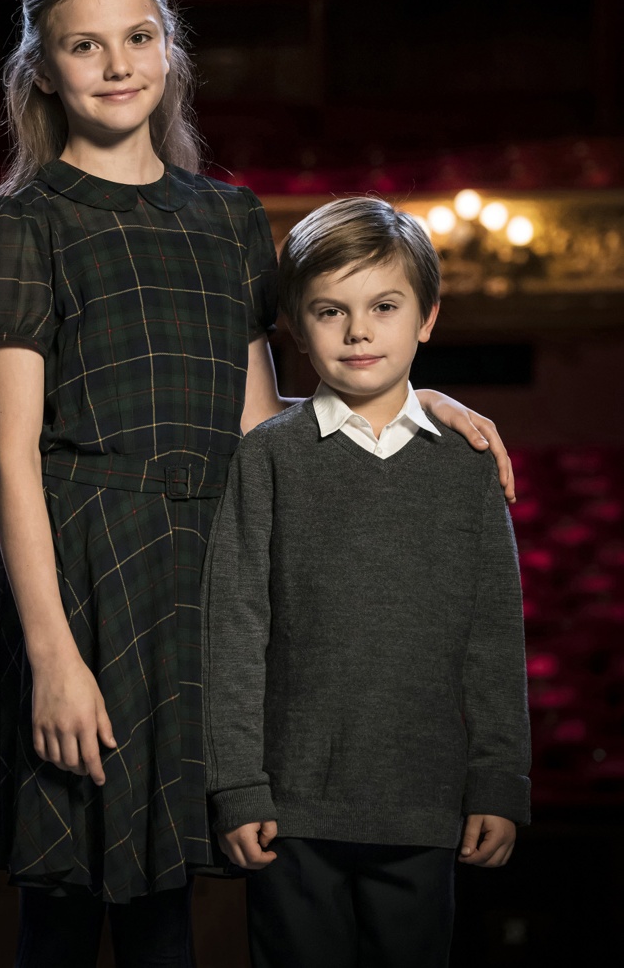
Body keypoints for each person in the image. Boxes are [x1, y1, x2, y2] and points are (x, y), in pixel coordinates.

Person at [0, 0, 516, 968]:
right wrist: (52, 656)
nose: (117, 65)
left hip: (204, 566)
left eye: (139, 36)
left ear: (171, 49)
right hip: (86, 573)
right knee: (70, 901)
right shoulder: (26, 222)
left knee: (169, 906)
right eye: (85, 46)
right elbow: (10, 456)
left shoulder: (228, 218)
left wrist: (407, 391)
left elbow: (268, 427)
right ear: (41, 67)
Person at [203, 196, 531, 968]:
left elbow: (492, 635)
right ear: (293, 324)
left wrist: (498, 783)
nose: (357, 331)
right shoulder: (268, 455)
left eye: (383, 306)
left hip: (426, 803)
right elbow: (235, 628)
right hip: (292, 810)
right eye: (329, 310)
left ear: (426, 318)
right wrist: (238, 788)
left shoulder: (466, 463)